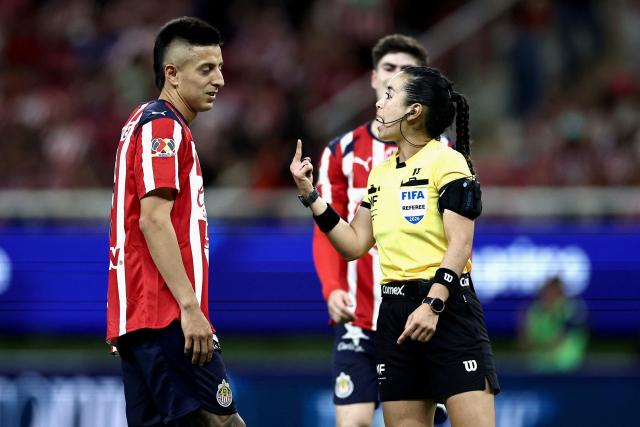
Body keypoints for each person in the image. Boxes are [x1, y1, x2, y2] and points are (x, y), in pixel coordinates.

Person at [292, 66, 500, 427]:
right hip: (395, 314)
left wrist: (433, 305)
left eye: (389, 95)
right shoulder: (381, 174)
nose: (378, 103)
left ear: (414, 111)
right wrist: (312, 197)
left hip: (448, 310)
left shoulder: (447, 161)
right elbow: (354, 244)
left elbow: (461, 243)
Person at [106, 17, 245, 427]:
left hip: (142, 319)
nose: (219, 80)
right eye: (206, 69)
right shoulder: (163, 127)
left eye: (220, 68)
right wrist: (189, 308)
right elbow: (153, 221)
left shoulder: (141, 121)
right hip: (165, 314)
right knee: (224, 422)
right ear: (172, 73)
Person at [313, 34, 447, 427]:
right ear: (374, 78)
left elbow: (450, 234)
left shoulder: (440, 151)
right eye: (389, 69)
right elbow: (328, 230)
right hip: (358, 315)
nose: (394, 78)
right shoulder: (340, 152)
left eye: (405, 72)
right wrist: (333, 289)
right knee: (352, 422)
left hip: (415, 314)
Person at [518, 276, 589, 372]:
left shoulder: (570, 309)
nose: (548, 295)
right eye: (546, 291)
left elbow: (559, 340)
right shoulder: (535, 310)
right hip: (538, 365)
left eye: (553, 291)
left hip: (567, 366)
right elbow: (525, 343)